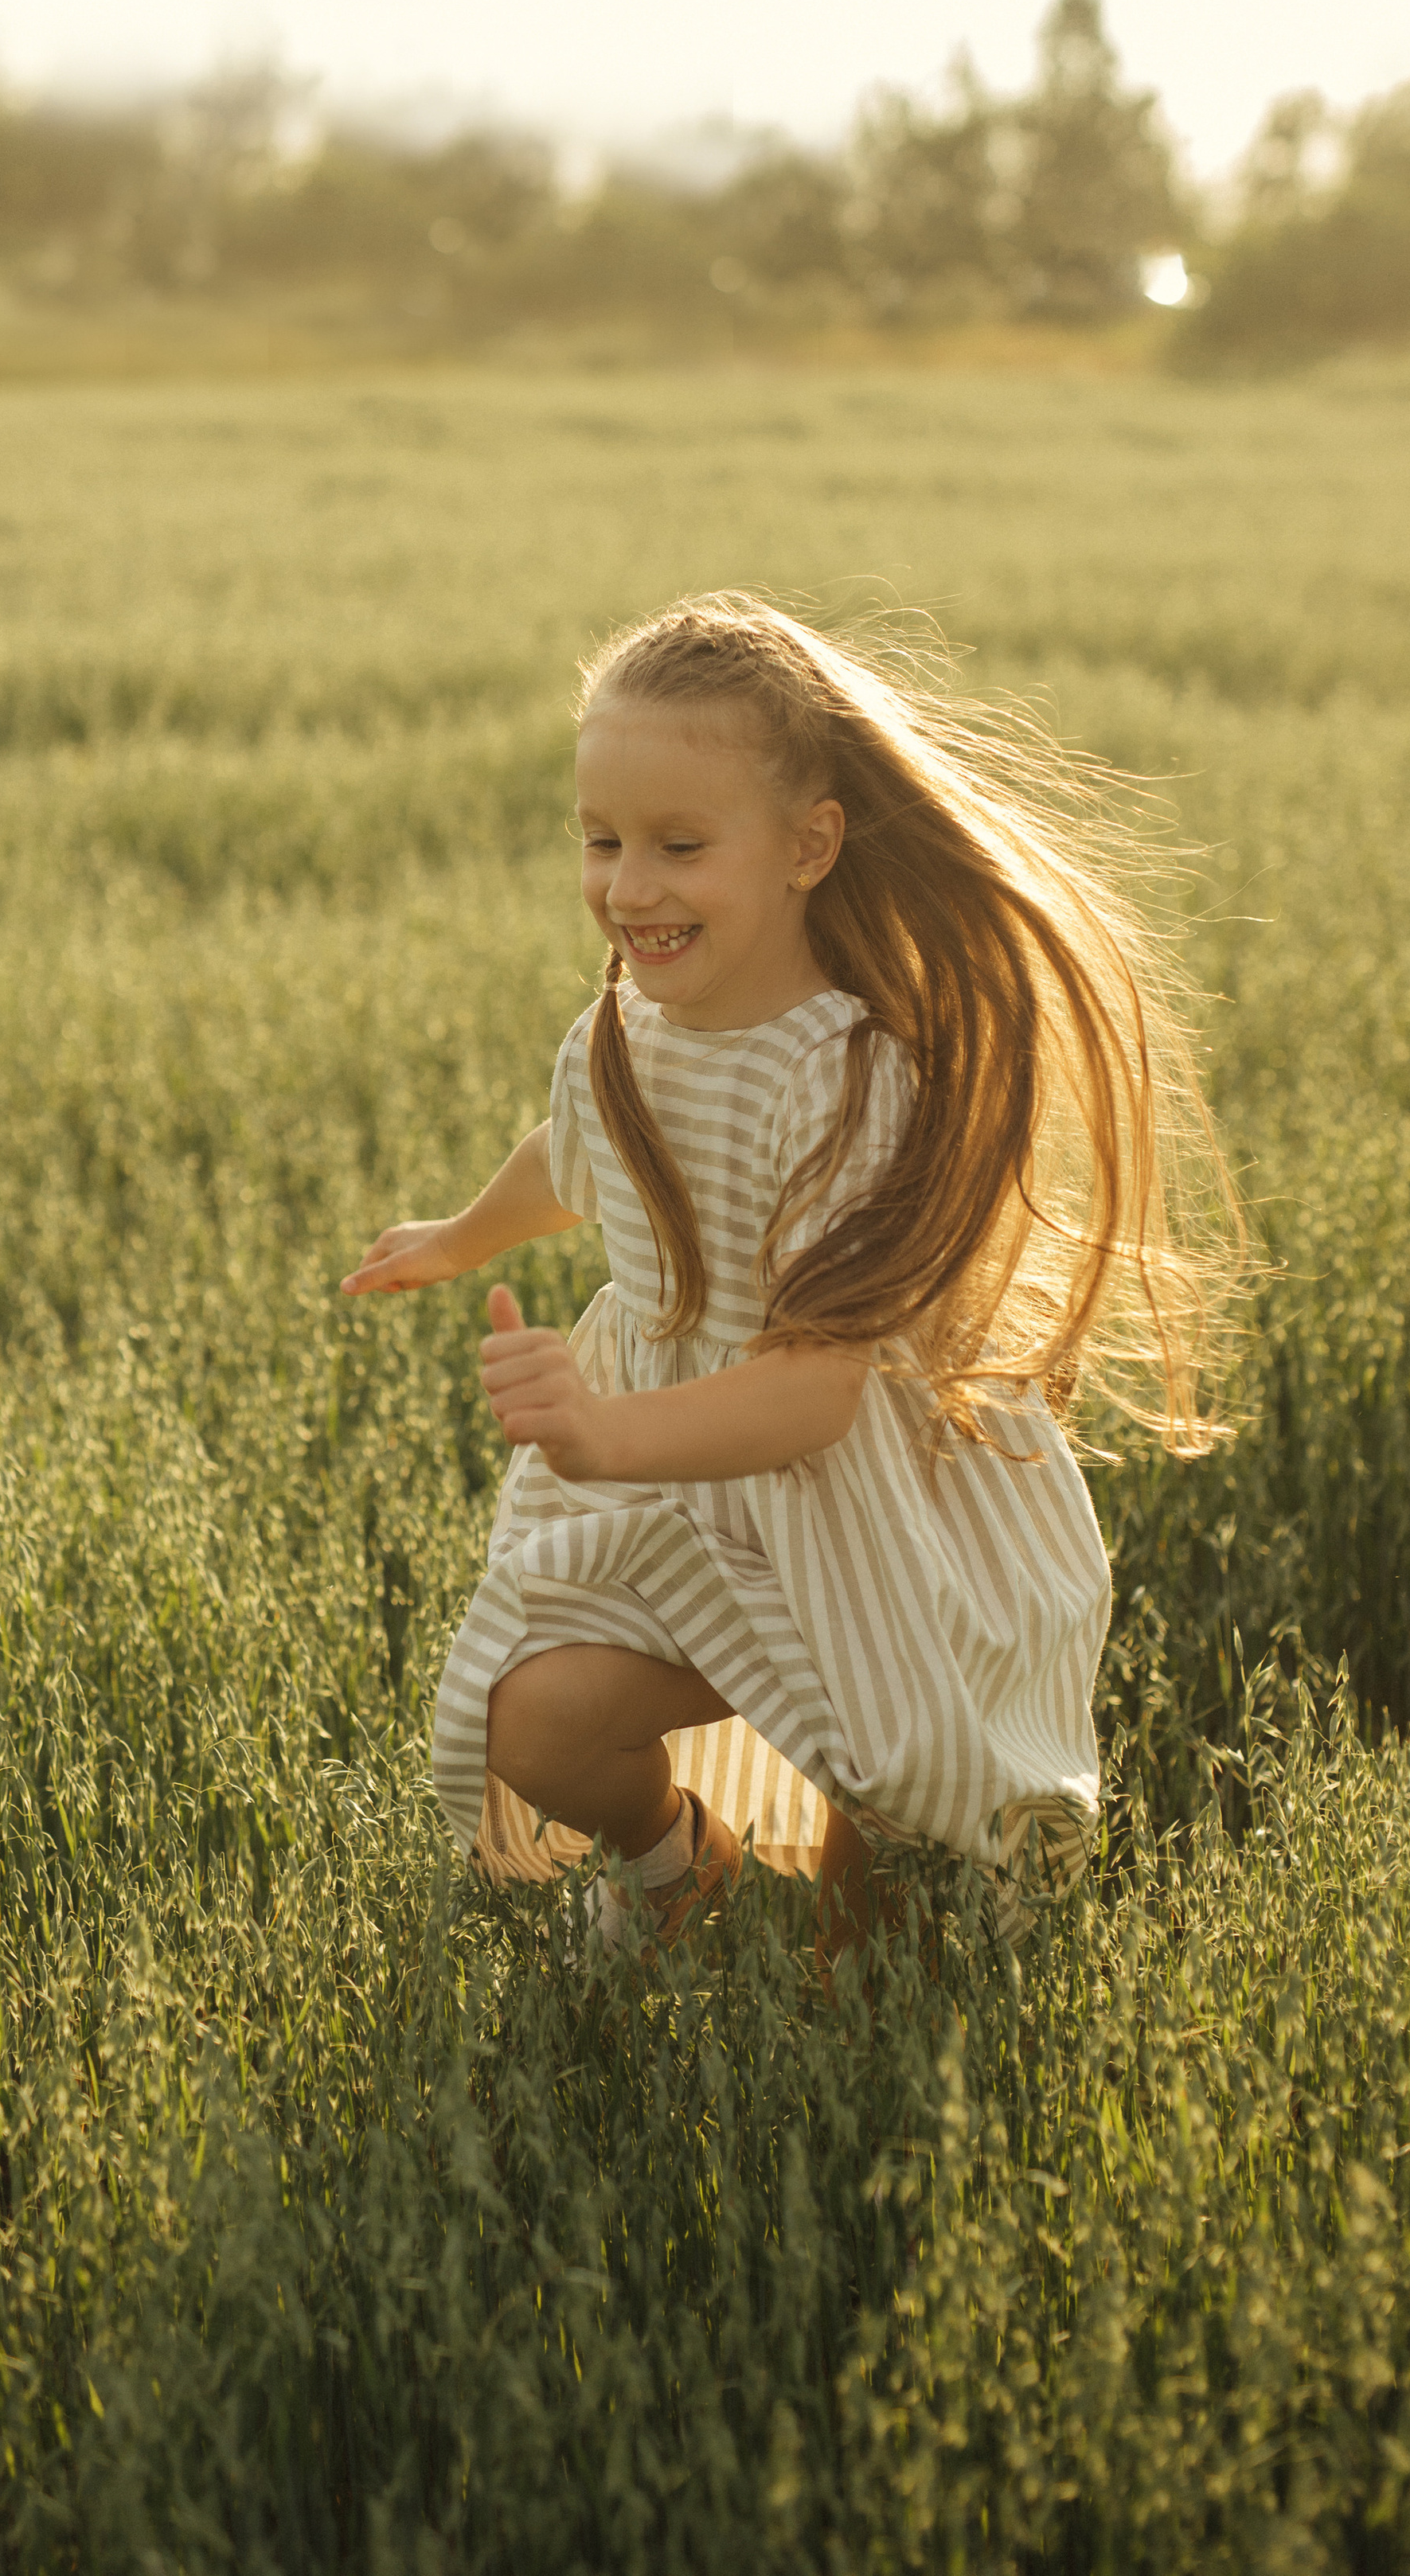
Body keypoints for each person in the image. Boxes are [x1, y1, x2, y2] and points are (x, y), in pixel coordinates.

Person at [342, 594, 1237, 1957]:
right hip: (680, 1486)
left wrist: (599, 1431)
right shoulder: (624, 1030)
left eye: (679, 846)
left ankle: (866, 1921)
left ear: (811, 845)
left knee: (873, 1899)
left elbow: (816, 1397)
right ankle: (672, 1877)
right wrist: (463, 1235)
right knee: (536, 1714)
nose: (628, 886)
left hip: (858, 1506)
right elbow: (574, 1151)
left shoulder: (846, 1077)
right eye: (602, 840)